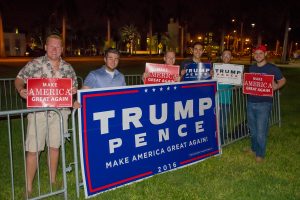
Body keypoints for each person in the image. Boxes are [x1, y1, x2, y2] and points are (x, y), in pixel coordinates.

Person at [15, 34, 78, 195]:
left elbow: (73, 89)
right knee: (33, 149)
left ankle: (52, 179)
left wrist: (73, 92)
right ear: (45, 47)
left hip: (60, 114)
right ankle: (28, 187)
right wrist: (21, 89)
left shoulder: (68, 68)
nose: (55, 49)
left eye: (58, 46)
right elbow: (19, 79)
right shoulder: (35, 64)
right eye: (52, 46)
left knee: (55, 147)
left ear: (62, 49)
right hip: (38, 114)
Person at [245, 45, 286, 163]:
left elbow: (283, 80)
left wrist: (276, 86)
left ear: (265, 54)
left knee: (261, 131)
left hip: (264, 104)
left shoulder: (272, 68)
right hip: (250, 102)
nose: (258, 56)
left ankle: (260, 154)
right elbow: (250, 81)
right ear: (253, 55)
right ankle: (253, 149)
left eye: (260, 53)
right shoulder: (252, 68)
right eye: (256, 53)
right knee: (252, 130)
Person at [214, 49, 234, 145]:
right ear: (221, 57)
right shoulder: (215, 69)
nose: (226, 57)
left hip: (226, 101)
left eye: (228, 55)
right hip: (215, 100)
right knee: (217, 122)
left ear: (231, 57)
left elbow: (238, 84)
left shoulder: (234, 70)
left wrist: (241, 80)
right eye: (224, 55)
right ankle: (221, 138)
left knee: (223, 122)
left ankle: (222, 141)